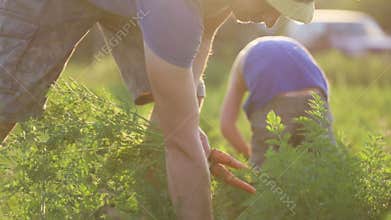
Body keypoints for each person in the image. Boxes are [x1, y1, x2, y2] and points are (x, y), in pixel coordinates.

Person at [0, 0, 316, 219]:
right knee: (6, 102)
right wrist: (186, 146)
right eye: (273, 6)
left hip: (139, 8)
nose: (272, 21)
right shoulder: (174, 10)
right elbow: (180, 142)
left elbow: (201, 40)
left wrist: (185, 133)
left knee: (181, 118)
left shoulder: (218, 5)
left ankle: (133, 209)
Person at [220, 36, 334, 167]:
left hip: (275, 103)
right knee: (325, 165)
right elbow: (323, 85)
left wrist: (250, 157)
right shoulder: (296, 47)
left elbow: (226, 125)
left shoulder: (243, 59)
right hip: (315, 98)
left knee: (267, 176)